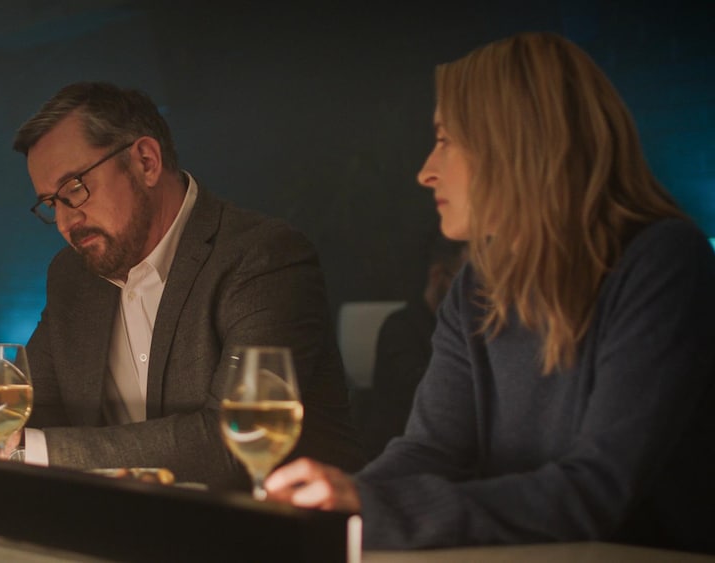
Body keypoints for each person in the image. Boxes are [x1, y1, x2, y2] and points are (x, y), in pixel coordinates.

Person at [265, 32, 715, 554]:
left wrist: (372, 508)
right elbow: (435, 448)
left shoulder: (663, 262)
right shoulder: (478, 282)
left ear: (519, 143)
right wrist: (340, 503)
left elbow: (598, 492)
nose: (425, 171)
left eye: (446, 140)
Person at [0, 82, 365, 490]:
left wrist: (12, 450)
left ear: (145, 160)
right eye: (50, 203)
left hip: (273, 539)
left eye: (74, 188)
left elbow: (230, 443)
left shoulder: (262, 256)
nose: (64, 221)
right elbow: (35, 408)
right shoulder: (73, 275)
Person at [359, 235, 466, 458]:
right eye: (467, 282)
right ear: (438, 275)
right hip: (397, 457)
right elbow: (430, 399)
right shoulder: (400, 329)